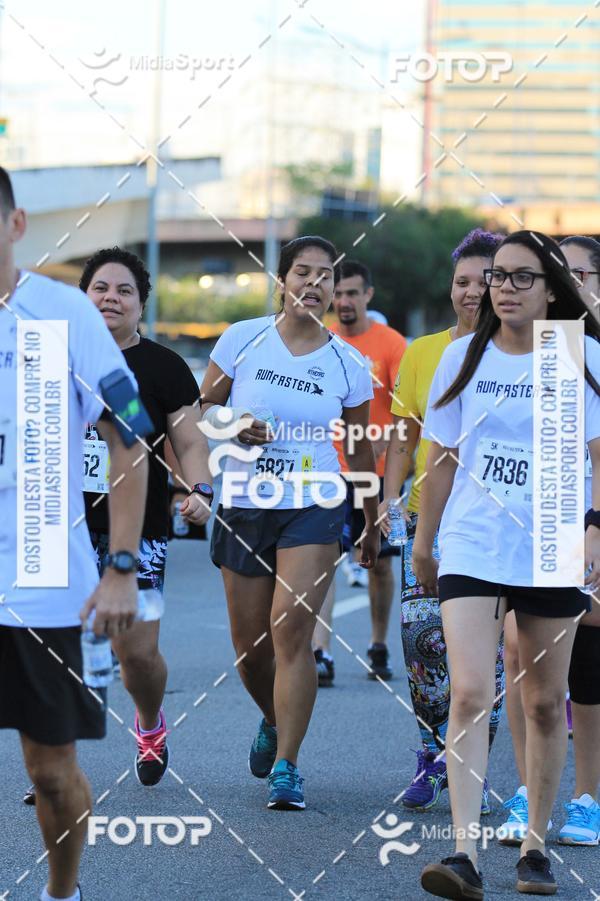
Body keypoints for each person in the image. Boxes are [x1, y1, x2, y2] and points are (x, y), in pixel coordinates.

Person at [414, 230, 600, 899]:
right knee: (470, 691)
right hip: (473, 540)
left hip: (553, 541)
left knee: (545, 701)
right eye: (498, 275)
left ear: (552, 290)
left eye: (524, 277)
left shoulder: (577, 356)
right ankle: (463, 852)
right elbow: (441, 458)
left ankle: (535, 847)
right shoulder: (463, 356)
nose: (505, 288)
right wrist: (424, 542)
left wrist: (595, 529)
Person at [0, 167, 148, 901]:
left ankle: (62, 893)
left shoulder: (63, 313)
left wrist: (120, 566)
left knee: (50, 771)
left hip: (42, 575)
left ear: (16, 224)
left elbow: (131, 434)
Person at [200, 235, 379, 810]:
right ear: (282, 281)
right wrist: (234, 423)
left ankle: (287, 765)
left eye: (326, 275)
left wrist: (370, 518)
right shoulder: (242, 338)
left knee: (291, 631)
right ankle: (275, 720)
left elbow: (358, 447)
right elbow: (201, 410)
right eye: (303, 272)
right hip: (245, 501)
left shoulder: (349, 363)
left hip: (314, 502)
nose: (314, 284)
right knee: (251, 648)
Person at [379, 228, 505, 811]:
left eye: (486, 281)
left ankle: (468, 765)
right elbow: (404, 436)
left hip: (496, 526)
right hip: (425, 518)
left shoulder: (525, 355)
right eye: (463, 282)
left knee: (490, 658)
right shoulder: (426, 352)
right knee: (422, 642)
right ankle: (432, 754)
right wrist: (389, 499)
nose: (473, 292)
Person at [80, 247, 212, 786]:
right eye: (100, 288)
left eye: (124, 291)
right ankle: (53, 760)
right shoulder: (54, 357)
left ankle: (150, 722)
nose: (111, 298)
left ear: (141, 304)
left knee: (135, 655)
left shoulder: (162, 367)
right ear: (84, 298)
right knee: (54, 648)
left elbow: (190, 440)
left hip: (137, 528)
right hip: (60, 526)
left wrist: (201, 487)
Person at [498, 235, 600, 848]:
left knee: (587, 654)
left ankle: (587, 797)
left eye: (580, 272)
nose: (571, 283)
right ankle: (527, 790)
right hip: (540, 519)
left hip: (593, 518)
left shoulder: (591, 351)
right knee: (519, 652)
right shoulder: (533, 347)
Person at [313, 260, 407, 686]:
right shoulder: (322, 341)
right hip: (330, 469)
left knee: (380, 565)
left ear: (368, 295)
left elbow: (407, 411)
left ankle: (378, 643)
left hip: (379, 473)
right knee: (324, 558)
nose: (344, 301)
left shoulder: (391, 344)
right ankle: (321, 651)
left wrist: (385, 441)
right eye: (338, 293)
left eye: (352, 292)